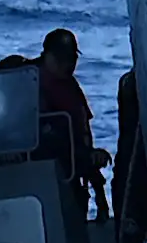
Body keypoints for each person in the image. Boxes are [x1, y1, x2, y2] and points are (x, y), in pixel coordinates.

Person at [32, 30, 101, 228]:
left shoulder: (71, 86)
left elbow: (83, 124)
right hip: (46, 163)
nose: (68, 64)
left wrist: (90, 156)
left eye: (71, 58)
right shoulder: (30, 80)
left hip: (71, 167)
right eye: (61, 59)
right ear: (47, 55)